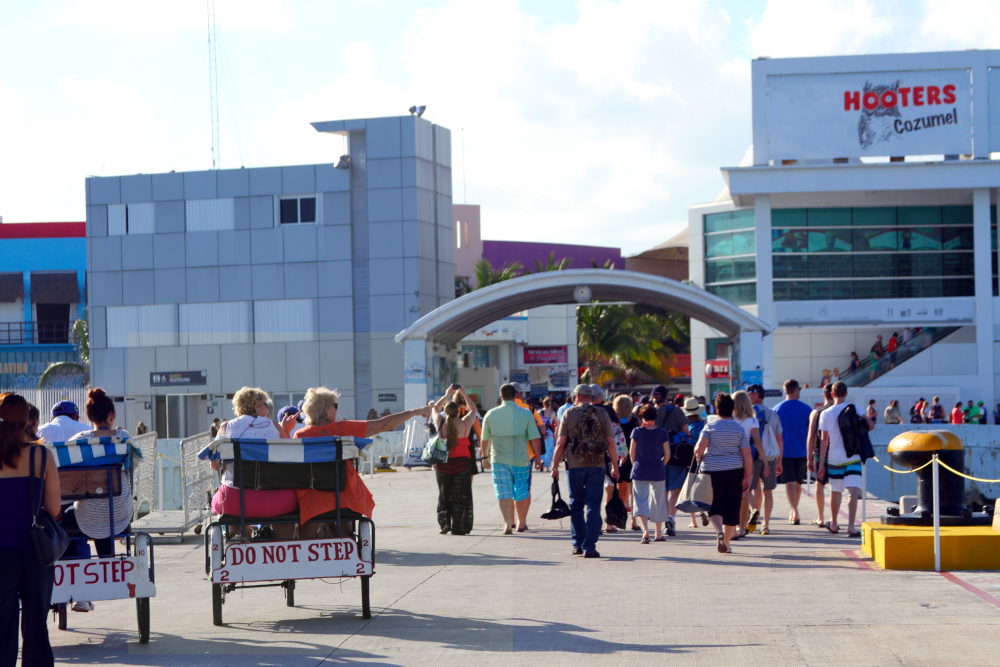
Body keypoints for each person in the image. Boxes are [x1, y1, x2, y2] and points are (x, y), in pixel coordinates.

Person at [295, 387, 431, 536]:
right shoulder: (344, 428)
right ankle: (346, 544)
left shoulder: (300, 435)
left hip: (313, 497)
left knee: (308, 520)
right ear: (326, 410)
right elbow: (382, 424)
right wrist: (414, 412)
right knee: (346, 496)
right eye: (336, 406)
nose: (337, 410)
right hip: (343, 495)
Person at [0, 392, 61, 667]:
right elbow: (55, 508)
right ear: (28, 421)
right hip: (35, 552)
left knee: (2, 627)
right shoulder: (41, 455)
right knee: (36, 626)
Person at [210, 387, 298, 536]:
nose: (268, 410)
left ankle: (239, 543)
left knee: (234, 506)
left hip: (236, 501)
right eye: (266, 405)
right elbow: (290, 461)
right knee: (285, 513)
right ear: (256, 406)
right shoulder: (275, 427)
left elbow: (214, 465)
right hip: (276, 501)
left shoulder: (226, 427)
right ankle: (284, 546)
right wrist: (286, 431)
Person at [550, 384, 618, 558]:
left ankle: (578, 544)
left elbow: (560, 444)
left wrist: (554, 466)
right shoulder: (602, 413)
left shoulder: (569, 413)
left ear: (577, 396)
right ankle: (590, 546)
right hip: (597, 465)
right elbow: (611, 442)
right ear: (592, 397)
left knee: (576, 505)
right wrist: (615, 468)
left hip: (574, 465)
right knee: (593, 507)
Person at [68, 388, 137, 556]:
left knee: (69, 517)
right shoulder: (123, 438)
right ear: (112, 416)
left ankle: (72, 564)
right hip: (120, 513)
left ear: (90, 416)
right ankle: (108, 561)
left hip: (87, 514)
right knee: (106, 509)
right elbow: (131, 467)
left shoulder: (79, 441)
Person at [694, 393, 752, 554]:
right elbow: (747, 454)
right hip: (735, 470)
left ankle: (718, 531)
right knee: (732, 506)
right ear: (732, 409)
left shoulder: (710, 427)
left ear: (716, 409)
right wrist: (748, 476)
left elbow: (699, 448)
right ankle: (726, 543)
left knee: (715, 505)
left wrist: (700, 457)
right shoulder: (739, 429)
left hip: (712, 470)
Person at [481, 383, 542, 535]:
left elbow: (484, 439)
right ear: (515, 395)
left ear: (501, 397)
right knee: (521, 490)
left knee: (503, 492)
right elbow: (535, 437)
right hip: (521, 458)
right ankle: (521, 523)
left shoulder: (491, 414)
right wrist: (539, 457)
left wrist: (484, 457)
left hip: (498, 458)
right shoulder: (526, 413)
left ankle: (508, 524)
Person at [818, 381, 874, 537]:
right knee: (853, 491)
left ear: (832, 394)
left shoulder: (825, 414)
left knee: (836, 491)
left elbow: (824, 441)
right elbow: (871, 425)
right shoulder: (855, 408)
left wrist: (822, 464)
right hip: (853, 455)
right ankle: (851, 526)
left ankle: (834, 524)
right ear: (846, 394)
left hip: (834, 457)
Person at [430, 385, 478, 535]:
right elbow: (474, 410)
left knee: (444, 494)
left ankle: (445, 524)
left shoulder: (440, 422)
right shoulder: (465, 424)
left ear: (446, 412)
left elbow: (434, 408)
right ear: (458, 411)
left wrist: (447, 394)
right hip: (462, 463)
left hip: (444, 463)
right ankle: (458, 526)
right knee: (460, 494)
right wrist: (463, 393)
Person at [629, 404, 670, 543]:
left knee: (641, 500)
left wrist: (636, 465)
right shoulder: (662, 433)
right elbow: (668, 454)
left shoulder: (637, 432)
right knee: (658, 501)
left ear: (642, 416)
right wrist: (661, 465)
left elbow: (632, 454)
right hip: (657, 471)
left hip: (640, 470)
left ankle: (645, 530)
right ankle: (658, 534)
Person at [746, 385, 783, 535]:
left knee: (750, 488)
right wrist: (779, 460)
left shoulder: (747, 413)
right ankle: (766, 525)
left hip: (753, 455)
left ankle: (754, 511)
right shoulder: (772, 413)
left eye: (749, 392)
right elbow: (779, 439)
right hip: (769, 455)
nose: (747, 395)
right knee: (767, 491)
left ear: (756, 394)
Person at [774, 379, 810, 525]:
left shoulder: (777, 409)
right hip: (802, 450)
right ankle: (794, 510)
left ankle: (794, 510)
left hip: (784, 451)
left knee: (789, 482)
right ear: (796, 390)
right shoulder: (807, 409)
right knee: (797, 483)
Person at [732, 391, 767, 539]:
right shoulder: (752, 421)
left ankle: (732, 527)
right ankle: (742, 528)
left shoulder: (729, 418)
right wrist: (765, 461)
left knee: (731, 495)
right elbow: (757, 442)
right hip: (746, 459)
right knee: (745, 494)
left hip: (730, 459)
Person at [670, 397, 707, 529]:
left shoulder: (685, 428)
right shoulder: (704, 425)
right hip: (703, 460)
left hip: (687, 461)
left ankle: (694, 520)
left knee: (688, 489)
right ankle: (702, 510)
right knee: (700, 488)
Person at [807, 384, 834, 527]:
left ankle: (821, 517)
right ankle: (834, 519)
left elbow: (811, 436)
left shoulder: (816, 412)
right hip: (837, 453)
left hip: (819, 455)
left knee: (820, 484)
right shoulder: (838, 411)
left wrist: (809, 458)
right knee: (835, 486)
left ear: (823, 395)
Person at [613, 395, 638, 530]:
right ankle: (634, 521)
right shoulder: (635, 421)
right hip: (634, 459)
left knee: (621, 493)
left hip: (619, 459)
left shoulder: (613, 421)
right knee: (634, 492)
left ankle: (620, 519)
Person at [539, 397, 557, 471]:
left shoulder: (540, 412)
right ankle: (547, 467)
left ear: (543, 404)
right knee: (549, 450)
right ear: (550, 405)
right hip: (549, 433)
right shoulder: (553, 413)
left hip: (542, 433)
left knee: (542, 448)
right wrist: (556, 433)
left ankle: (541, 461)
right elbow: (558, 424)